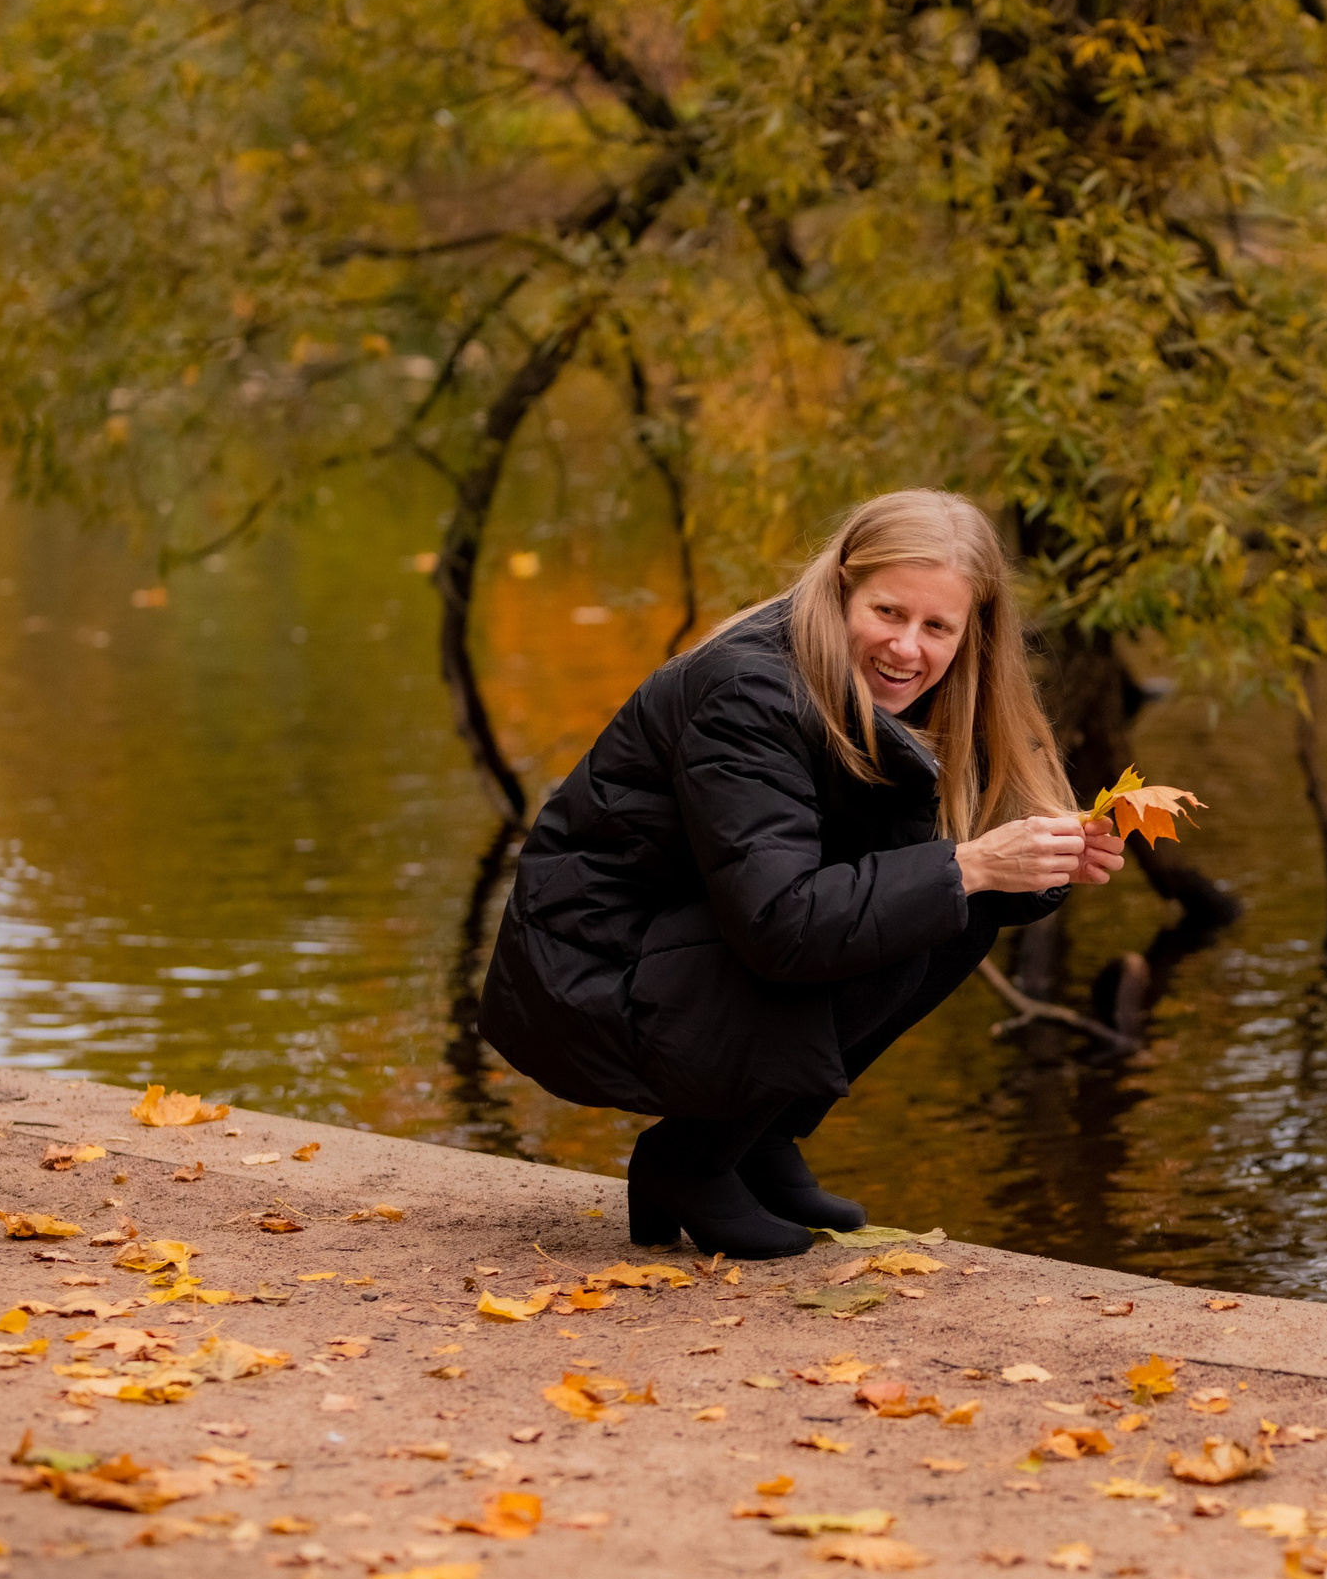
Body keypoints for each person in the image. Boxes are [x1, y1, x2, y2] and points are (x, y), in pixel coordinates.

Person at [478, 490, 1124, 1257]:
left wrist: (1044, 862)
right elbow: (782, 924)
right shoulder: (750, 690)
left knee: (954, 906)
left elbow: (924, 868)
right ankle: (688, 1158)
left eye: (936, 627)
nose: (907, 648)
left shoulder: (933, 690)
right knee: (927, 898)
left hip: (694, 937)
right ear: (844, 583)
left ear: (971, 632)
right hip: (591, 968)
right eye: (888, 612)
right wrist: (972, 865)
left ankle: (758, 1135)